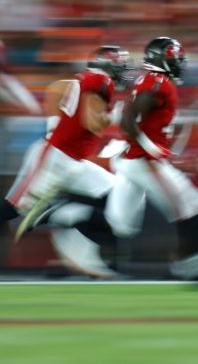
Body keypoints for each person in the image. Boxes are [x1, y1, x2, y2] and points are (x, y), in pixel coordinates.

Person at [104, 37, 198, 284]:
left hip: (137, 159)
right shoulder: (157, 84)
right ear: (161, 59)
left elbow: (135, 117)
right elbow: (127, 121)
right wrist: (150, 147)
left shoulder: (151, 80)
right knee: (195, 208)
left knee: (121, 225)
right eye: (174, 59)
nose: (179, 63)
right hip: (143, 161)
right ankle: (196, 269)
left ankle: (192, 265)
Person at [5, 46, 132, 277]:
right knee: (11, 209)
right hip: (54, 158)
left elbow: (55, 90)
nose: (123, 71)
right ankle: (56, 214)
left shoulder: (87, 81)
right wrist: (117, 116)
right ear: (107, 66)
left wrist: (56, 122)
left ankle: (69, 230)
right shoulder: (99, 81)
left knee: (116, 195)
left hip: (73, 160)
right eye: (120, 66)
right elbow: (92, 122)